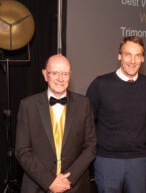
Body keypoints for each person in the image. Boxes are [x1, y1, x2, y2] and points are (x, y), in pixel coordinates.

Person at [15, 54, 97, 193]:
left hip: (74, 186)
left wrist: (67, 180)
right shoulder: (28, 105)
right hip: (37, 186)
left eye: (65, 73)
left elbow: (90, 147)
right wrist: (49, 181)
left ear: (70, 75)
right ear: (45, 75)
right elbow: (22, 151)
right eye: (55, 73)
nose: (60, 78)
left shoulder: (84, 104)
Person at [86, 36, 146, 193]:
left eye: (137, 55)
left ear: (143, 58)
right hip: (107, 160)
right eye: (127, 54)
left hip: (139, 160)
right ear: (119, 56)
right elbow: (88, 122)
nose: (132, 60)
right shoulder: (100, 84)